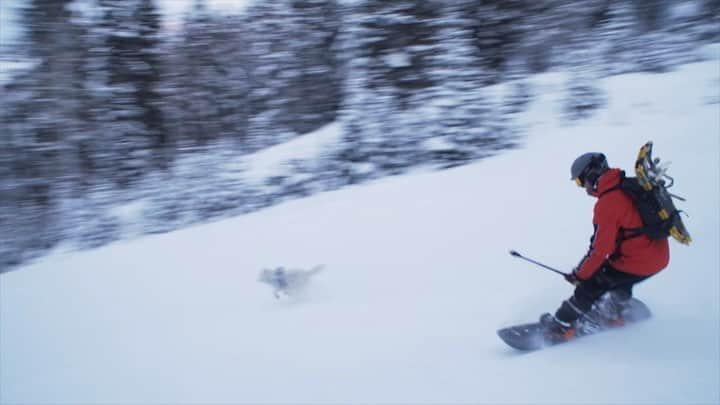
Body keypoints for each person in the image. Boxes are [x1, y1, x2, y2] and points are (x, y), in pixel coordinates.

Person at [540, 152, 670, 341]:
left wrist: (580, 275)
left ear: (591, 175)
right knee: (619, 277)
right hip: (659, 256)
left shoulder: (608, 203)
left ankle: (561, 326)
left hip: (639, 259)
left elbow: (600, 251)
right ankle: (614, 313)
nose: (583, 188)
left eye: (580, 182)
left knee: (592, 284)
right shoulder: (626, 185)